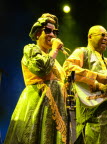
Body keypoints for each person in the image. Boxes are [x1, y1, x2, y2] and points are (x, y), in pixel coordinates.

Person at [4, 13, 68, 144]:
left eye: (55, 32)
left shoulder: (55, 61)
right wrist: (55, 50)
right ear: (38, 33)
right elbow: (41, 68)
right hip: (38, 104)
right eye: (48, 30)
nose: (52, 35)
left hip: (56, 109)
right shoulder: (31, 49)